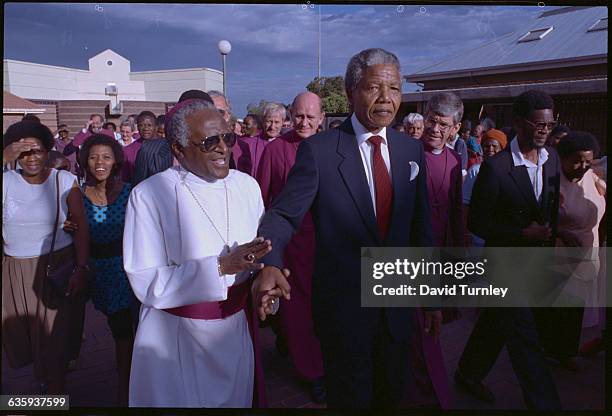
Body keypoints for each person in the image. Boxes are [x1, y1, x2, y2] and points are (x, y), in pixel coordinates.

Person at [253, 48, 444, 409]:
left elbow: (421, 228)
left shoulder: (410, 151)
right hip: (344, 312)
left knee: (393, 395)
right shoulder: (321, 152)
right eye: (375, 87)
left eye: (395, 88)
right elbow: (282, 215)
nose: (387, 98)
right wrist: (271, 262)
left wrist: (431, 297)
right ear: (351, 89)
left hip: (397, 309)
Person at [123, 99, 274, 407]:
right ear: (178, 149)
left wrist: (265, 280)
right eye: (209, 142)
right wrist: (219, 267)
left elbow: (258, 256)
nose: (223, 148)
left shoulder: (247, 186)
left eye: (227, 137)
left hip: (234, 330)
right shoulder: (149, 195)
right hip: (176, 338)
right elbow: (145, 280)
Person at [455, 90, 562, 410]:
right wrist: (521, 232)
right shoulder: (497, 168)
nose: (545, 130)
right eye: (539, 124)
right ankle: (546, 405)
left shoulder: (552, 159)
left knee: (497, 322)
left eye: (550, 124)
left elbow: (550, 208)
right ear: (518, 122)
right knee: (525, 337)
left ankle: (467, 373)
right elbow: (477, 222)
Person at [2, 121, 90, 394]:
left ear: (47, 151)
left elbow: (82, 225)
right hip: (15, 273)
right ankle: (43, 388)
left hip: (56, 270)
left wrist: (81, 268)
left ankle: (53, 398)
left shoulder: (63, 180)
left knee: (54, 348)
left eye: (37, 150)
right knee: (25, 342)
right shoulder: (6, 181)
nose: (31, 158)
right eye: (23, 152)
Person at [256, 91, 327, 403]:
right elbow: (264, 198)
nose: (304, 122)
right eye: (299, 115)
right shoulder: (277, 150)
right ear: (289, 116)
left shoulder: (329, 147)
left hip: (325, 244)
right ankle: (312, 372)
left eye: (311, 117)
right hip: (291, 246)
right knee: (298, 311)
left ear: (322, 119)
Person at [535, 131, 606, 371]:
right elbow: (540, 221)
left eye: (588, 161)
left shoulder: (592, 178)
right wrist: (561, 233)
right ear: (562, 157)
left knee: (574, 310)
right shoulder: (551, 182)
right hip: (557, 256)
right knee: (554, 310)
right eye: (576, 160)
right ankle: (544, 352)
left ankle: (565, 353)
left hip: (586, 255)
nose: (582, 166)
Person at [74, 134, 136, 405]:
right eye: (94, 156)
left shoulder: (130, 192)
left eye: (106, 156)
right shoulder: (76, 196)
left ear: (116, 162)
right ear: (85, 162)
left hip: (125, 271)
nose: (100, 162)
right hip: (95, 271)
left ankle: (126, 388)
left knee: (124, 330)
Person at [421, 93, 465, 247]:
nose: (435, 129)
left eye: (443, 125)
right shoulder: (407, 151)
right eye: (431, 121)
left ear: (455, 128)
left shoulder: (455, 160)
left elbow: (456, 207)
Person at [462, 129, 507, 246]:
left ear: (502, 148)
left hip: (501, 233)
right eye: (487, 146)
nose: (491, 149)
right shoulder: (475, 171)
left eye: (494, 146)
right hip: (478, 234)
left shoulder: (508, 172)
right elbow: (466, 203)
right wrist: (465, 232)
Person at [132, 111, 171, 185]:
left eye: (149, 125)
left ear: (155, 127)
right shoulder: (129, 149)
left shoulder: (167, 146)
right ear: (137, 127)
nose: (146, 128)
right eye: (142, 125)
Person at [232, 113, 268, 178]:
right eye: (243, 123)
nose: (243, 125)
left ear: (256, 125)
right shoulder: (238, 140)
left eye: (247, 124)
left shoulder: (264, 142)